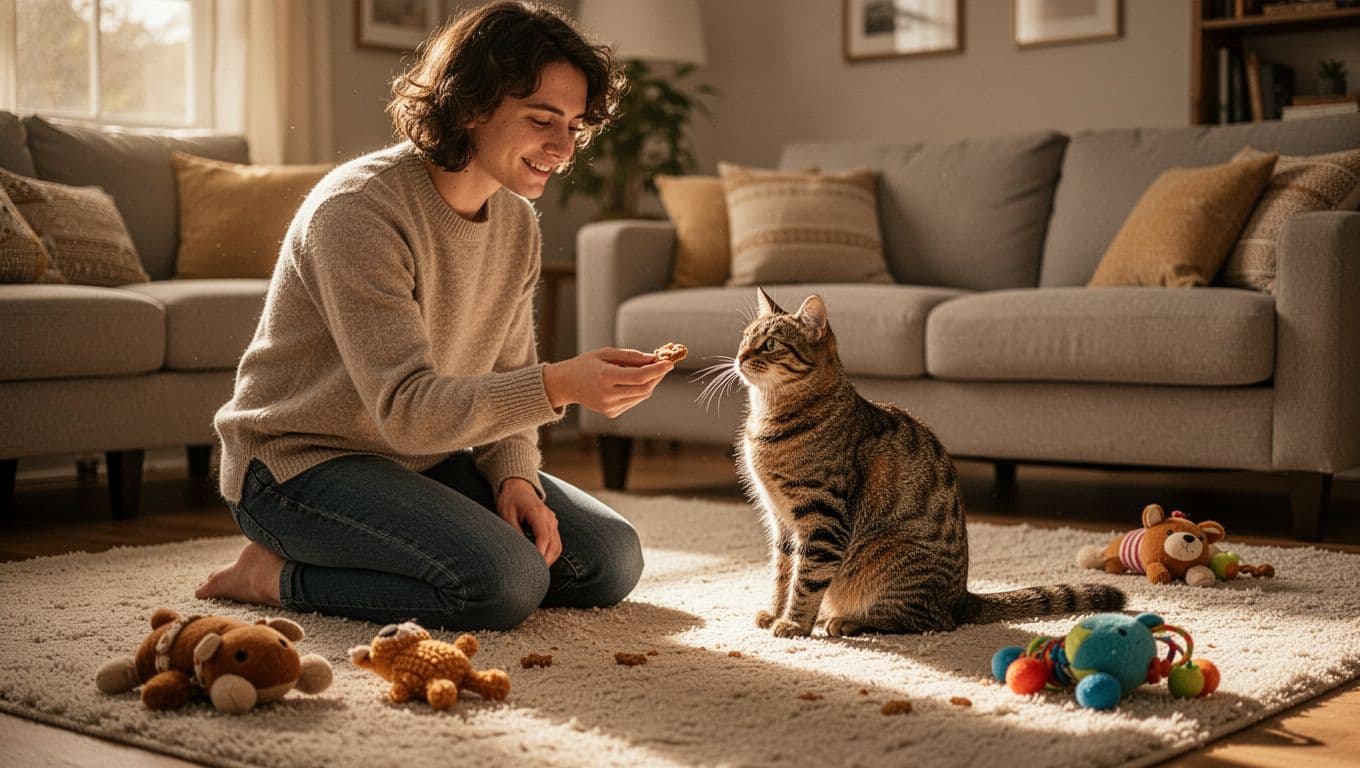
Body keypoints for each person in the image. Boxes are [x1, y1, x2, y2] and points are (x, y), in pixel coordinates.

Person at [195, 1, 670, 630]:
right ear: (471, 105)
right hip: (297, 466)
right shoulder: (359, 210)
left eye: (575, 127)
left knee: (610, 559)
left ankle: (403, 548)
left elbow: (508, 373)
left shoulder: (516, 223)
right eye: (541, 120)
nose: (562, 148)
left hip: (420, 459)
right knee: (502, 584)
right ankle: (273, 575)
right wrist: (560, 385)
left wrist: (515, 478)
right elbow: (407, 410)